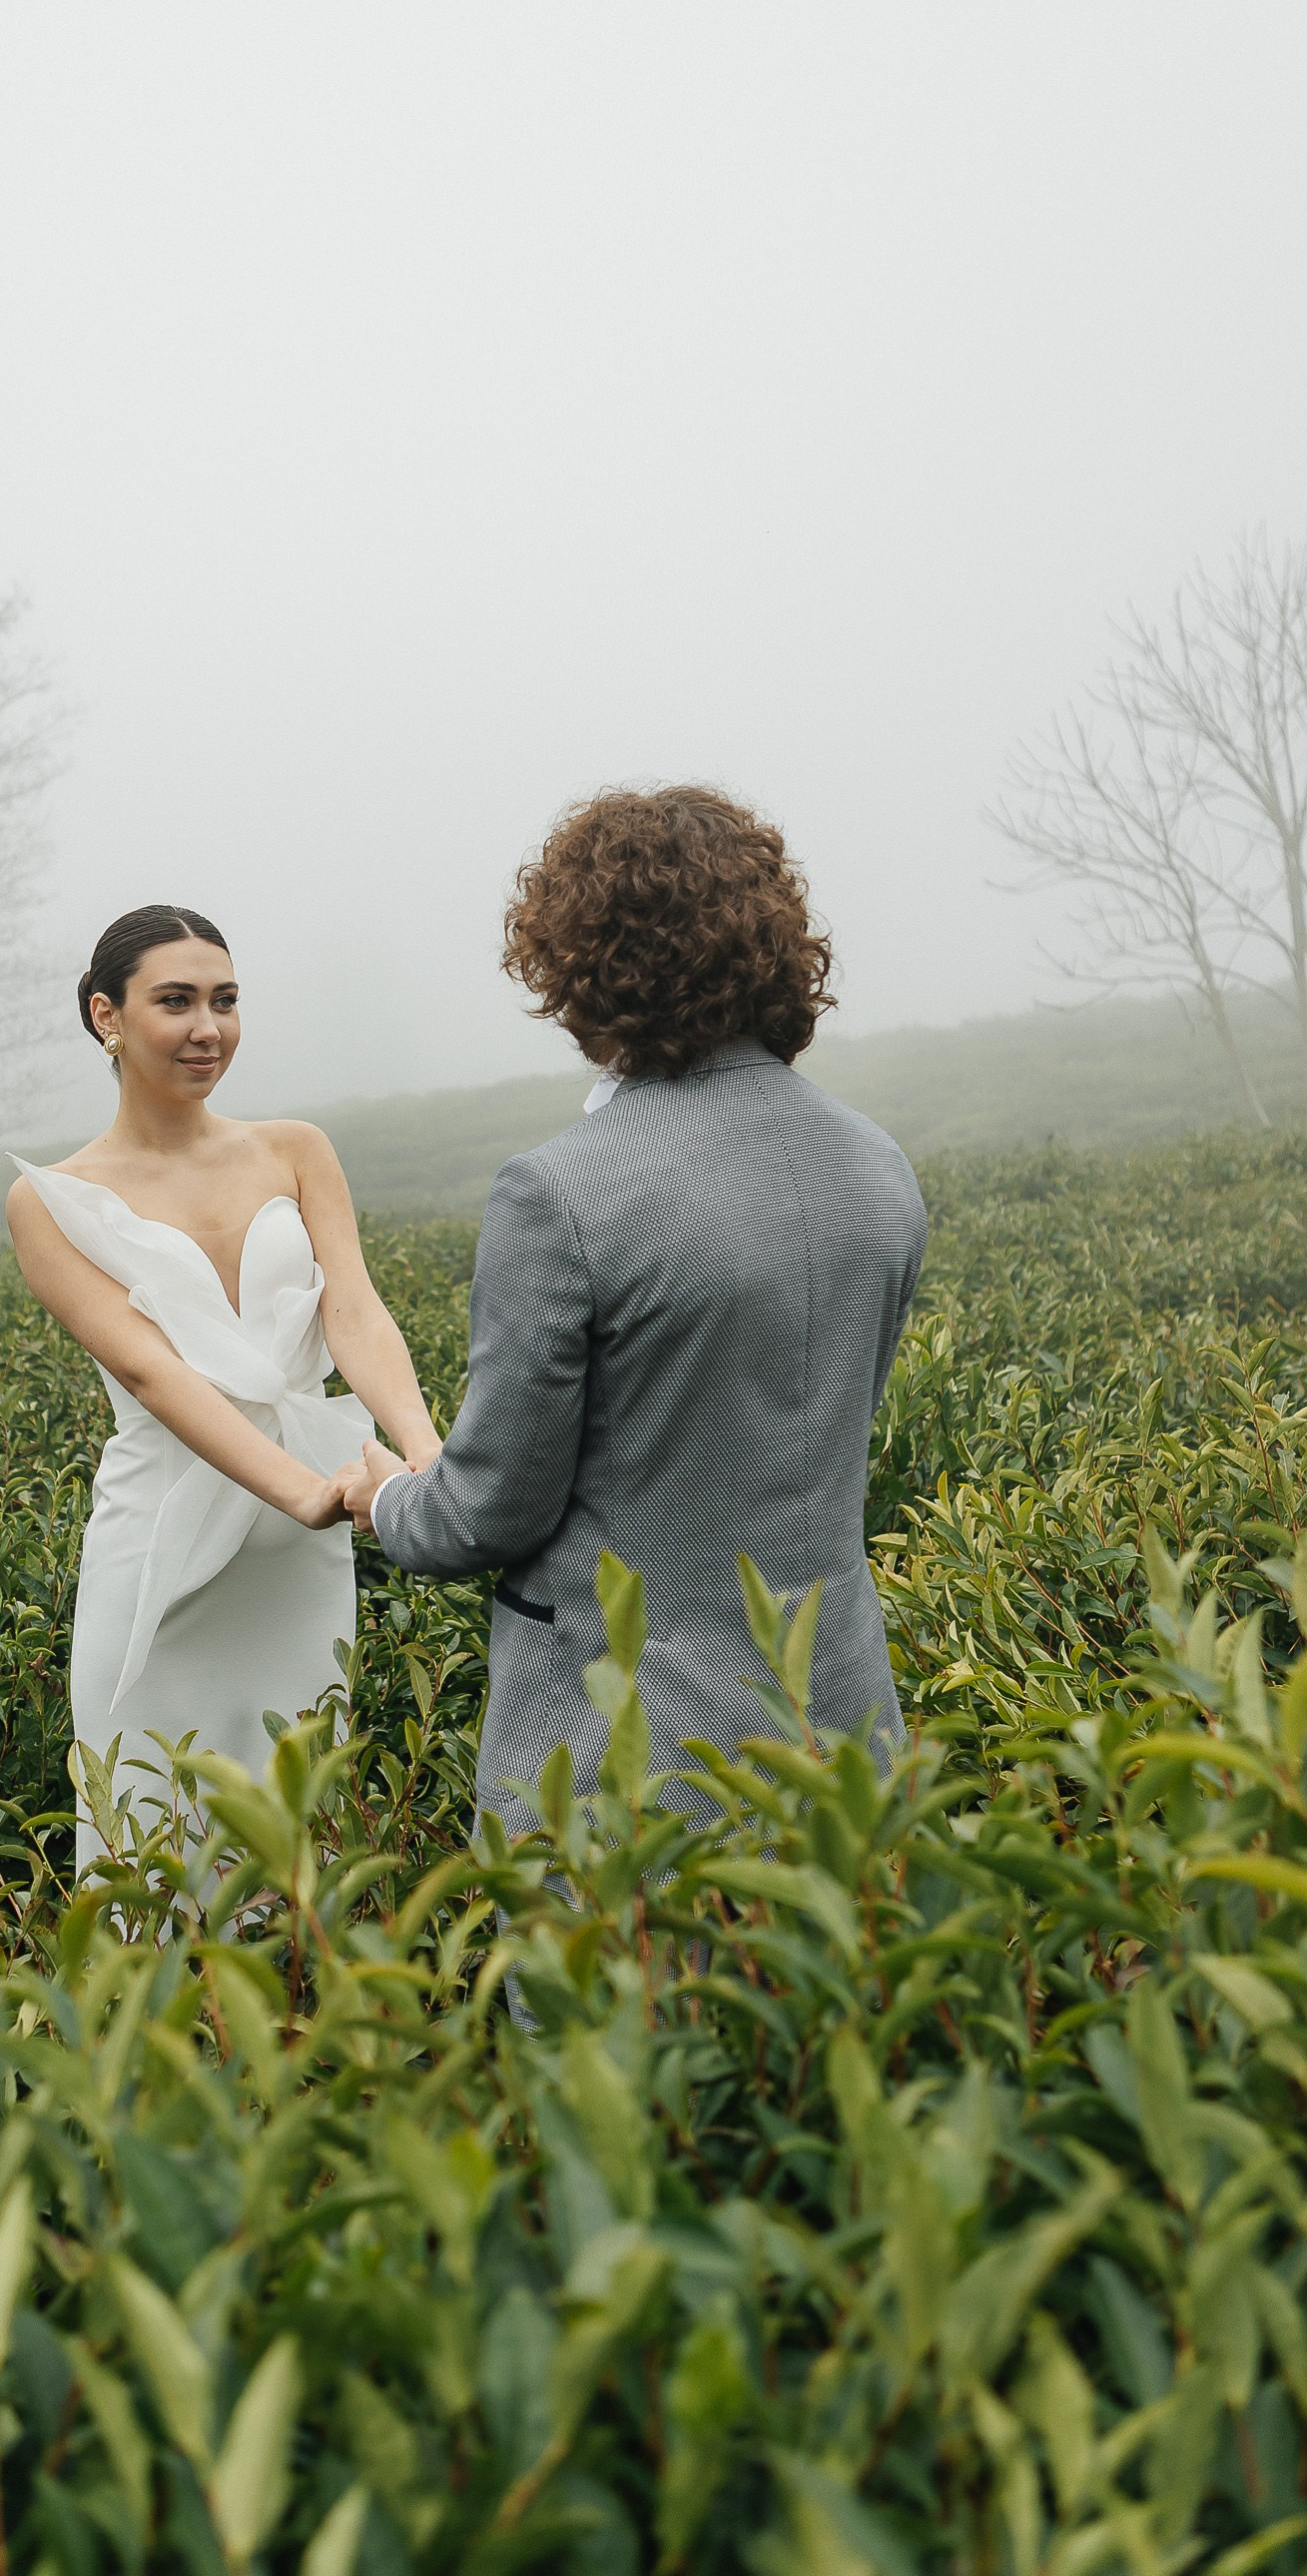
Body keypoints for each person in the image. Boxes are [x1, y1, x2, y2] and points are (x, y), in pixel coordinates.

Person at [339, 787, 927, 1838]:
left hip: (629, 1749)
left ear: (578, 967)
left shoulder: (558, 1194)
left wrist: (387, 1501)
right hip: (841, 1721)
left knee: (600, 2002)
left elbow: (491, 1509)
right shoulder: (876, 1166)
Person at [7, 905, 440, 1870]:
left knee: (294, 1821)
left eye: (226, 1001)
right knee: (153, 1828)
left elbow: (356, 1314)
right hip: (167, 1539)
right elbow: (149, 1371)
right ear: (105, 1016)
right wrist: (304, 1491)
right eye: (177, 1001)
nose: (209, 1028)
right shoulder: (48, 1199)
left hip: (299, 1553)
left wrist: (424, 1453)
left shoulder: (295, 1148)